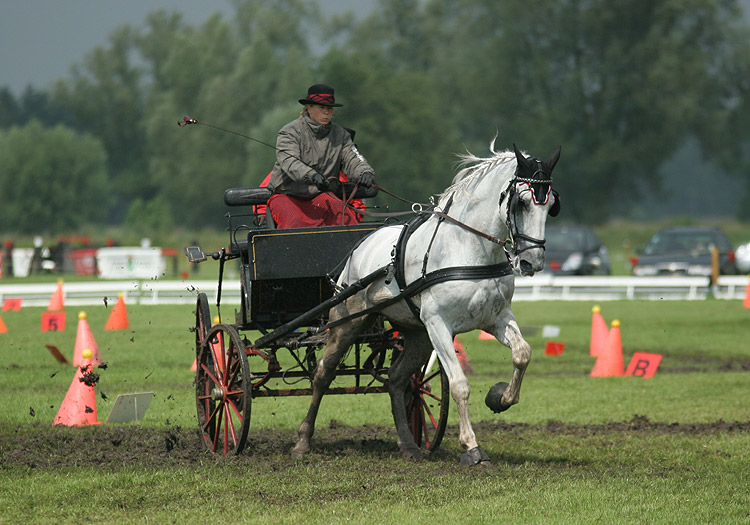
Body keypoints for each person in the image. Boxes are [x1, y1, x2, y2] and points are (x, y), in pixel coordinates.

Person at [267, 84, 376, 228]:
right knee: (296, 224)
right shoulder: (289, 132)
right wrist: (311, 176)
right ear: (309, 108)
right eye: (322, 108)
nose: (326, 112)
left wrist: (364, 172)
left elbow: (352, 157)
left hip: (321, 195)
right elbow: (290, 162)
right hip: (287, 195)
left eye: (329, 109)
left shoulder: (341, 135)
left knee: (346, 220)